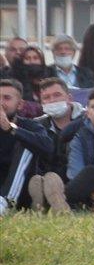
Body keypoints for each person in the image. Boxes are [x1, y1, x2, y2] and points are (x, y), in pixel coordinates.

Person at [0, 78, 53, 215]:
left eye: (6, 98)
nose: (1, 103)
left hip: (22, 190)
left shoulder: (30, 126)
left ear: (20, 105)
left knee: (26, 144)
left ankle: (6, 202)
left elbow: (48, 146)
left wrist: (11, 129)